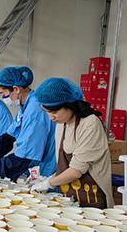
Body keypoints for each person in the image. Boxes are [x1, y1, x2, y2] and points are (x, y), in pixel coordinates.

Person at [30, 77, 114, 209]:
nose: (51, 118)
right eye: (47, 113)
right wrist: (49, 178)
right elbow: (65, 167)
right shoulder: (61, 124)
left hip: (92, 199)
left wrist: (48, 184)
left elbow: (76, 171)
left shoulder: (90, 123)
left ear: (70, 105)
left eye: (54, 112)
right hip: (68, 197)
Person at [0, 66, 57, 181]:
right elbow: (9, 136)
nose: (4, 98)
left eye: (3, 94)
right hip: (36, 165)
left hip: (48, 167)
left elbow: (24, 155)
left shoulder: (34, 110)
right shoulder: (25, 105)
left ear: (16, 89)